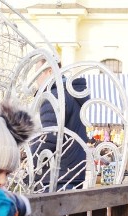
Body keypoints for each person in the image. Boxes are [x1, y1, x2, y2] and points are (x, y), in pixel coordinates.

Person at [33, 59, 91, 191]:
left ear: (50, 71)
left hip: (56, 175)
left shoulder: (54, 96)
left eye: (38, 74)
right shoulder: (70, 93)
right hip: (73, 172)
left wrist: (31, 156)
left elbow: (50, 137)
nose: (36, 80)